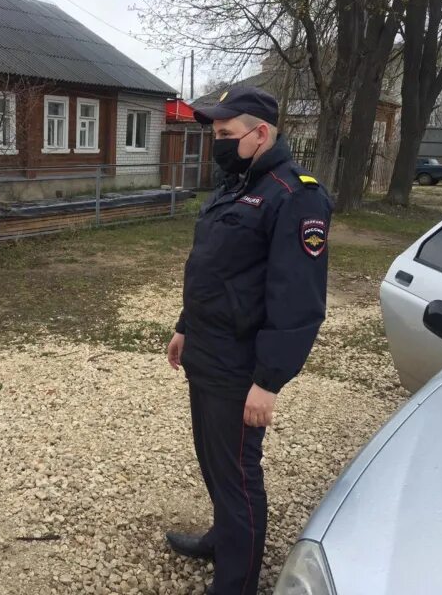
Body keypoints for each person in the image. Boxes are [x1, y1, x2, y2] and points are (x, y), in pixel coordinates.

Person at [165, 86, 333, 595]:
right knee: (214, 461)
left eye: (225, 134)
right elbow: (214, 270)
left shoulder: (295, 195)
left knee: (239, 475)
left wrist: (269, 380)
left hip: (241, 367)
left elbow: (297, 300)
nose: (216, 143)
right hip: (207, 354)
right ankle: (224, 538)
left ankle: (235, 582)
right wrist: (184, 326)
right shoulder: (236, 185)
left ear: (261, 134)